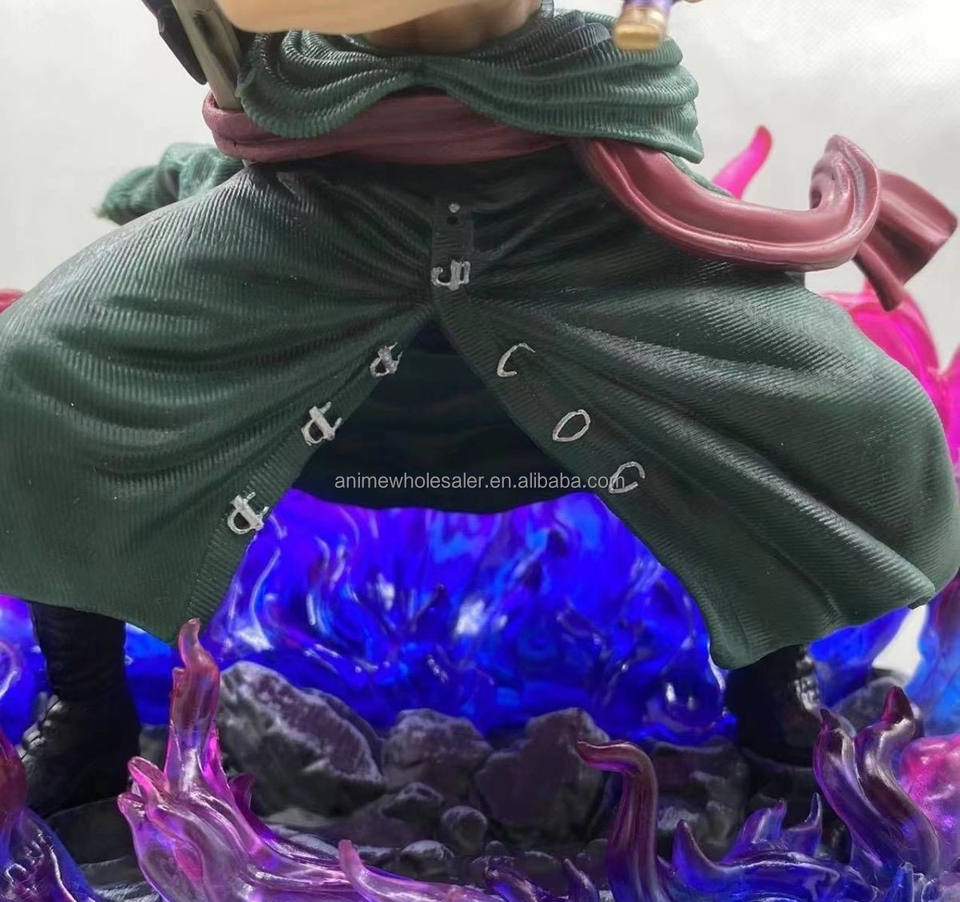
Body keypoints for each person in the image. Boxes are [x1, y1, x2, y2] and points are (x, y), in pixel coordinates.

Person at [4, 0, 958, 815]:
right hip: (318, 201)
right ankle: (87, 703)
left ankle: (771, 685)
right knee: (41, 377)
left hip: (560, 207)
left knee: (841, 409)